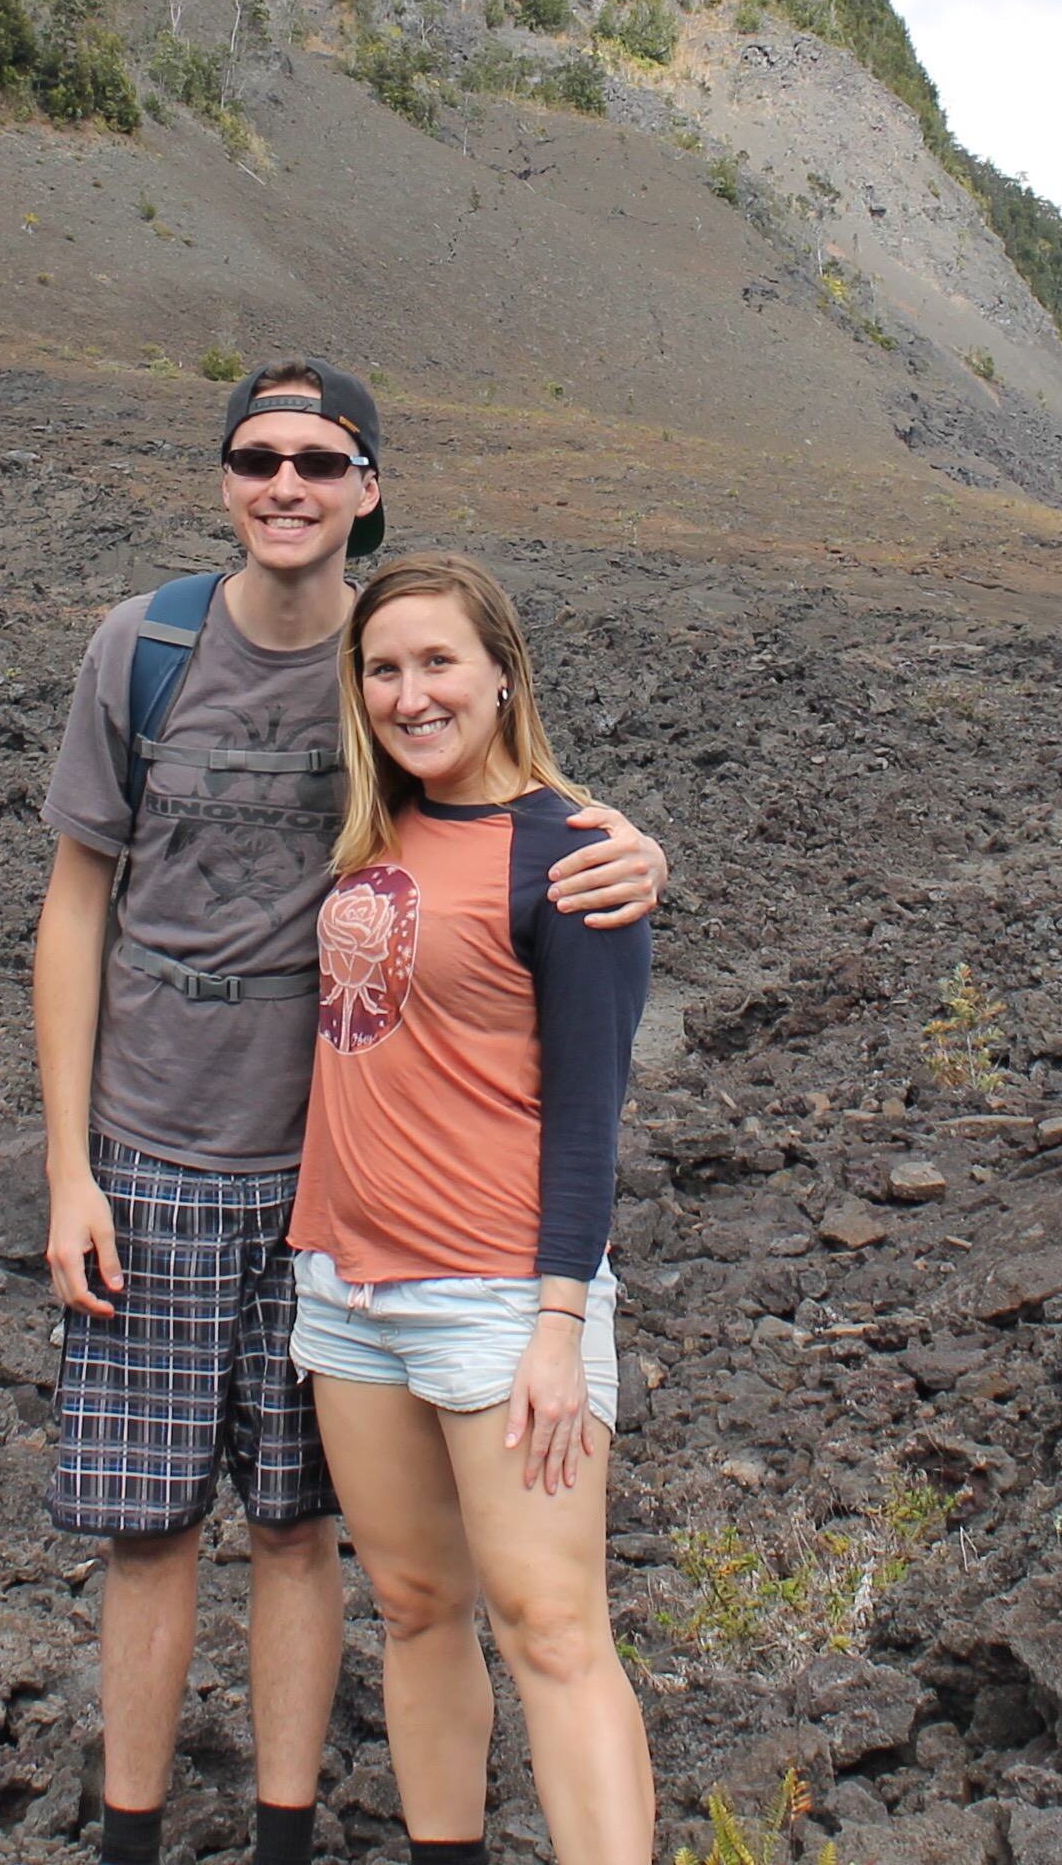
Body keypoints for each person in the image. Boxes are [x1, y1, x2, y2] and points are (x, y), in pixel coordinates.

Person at [32, 365, 667, 1865]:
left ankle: (293, 1837)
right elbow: (78, 904)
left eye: (321, 460)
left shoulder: (474, 767)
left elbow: (573, 1028)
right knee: (269, 1560)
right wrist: (69, 1167)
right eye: (257, 455)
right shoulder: (173, 671)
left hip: (416, 1248)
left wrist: (637, 852)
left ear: (368, 487)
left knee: (420, 1576)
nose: (287, 483)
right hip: (248, 1215)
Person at [291, 552, 656, 1865]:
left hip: (500, 1300)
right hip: (347, 1289)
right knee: (413, 1607)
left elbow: (591, 1111)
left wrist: (560, 1325)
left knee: (552, 1631)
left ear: (503, 674)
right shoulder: (368, 829)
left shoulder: (573, 856)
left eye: (439, 662)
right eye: (383, 670)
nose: (412, 695)